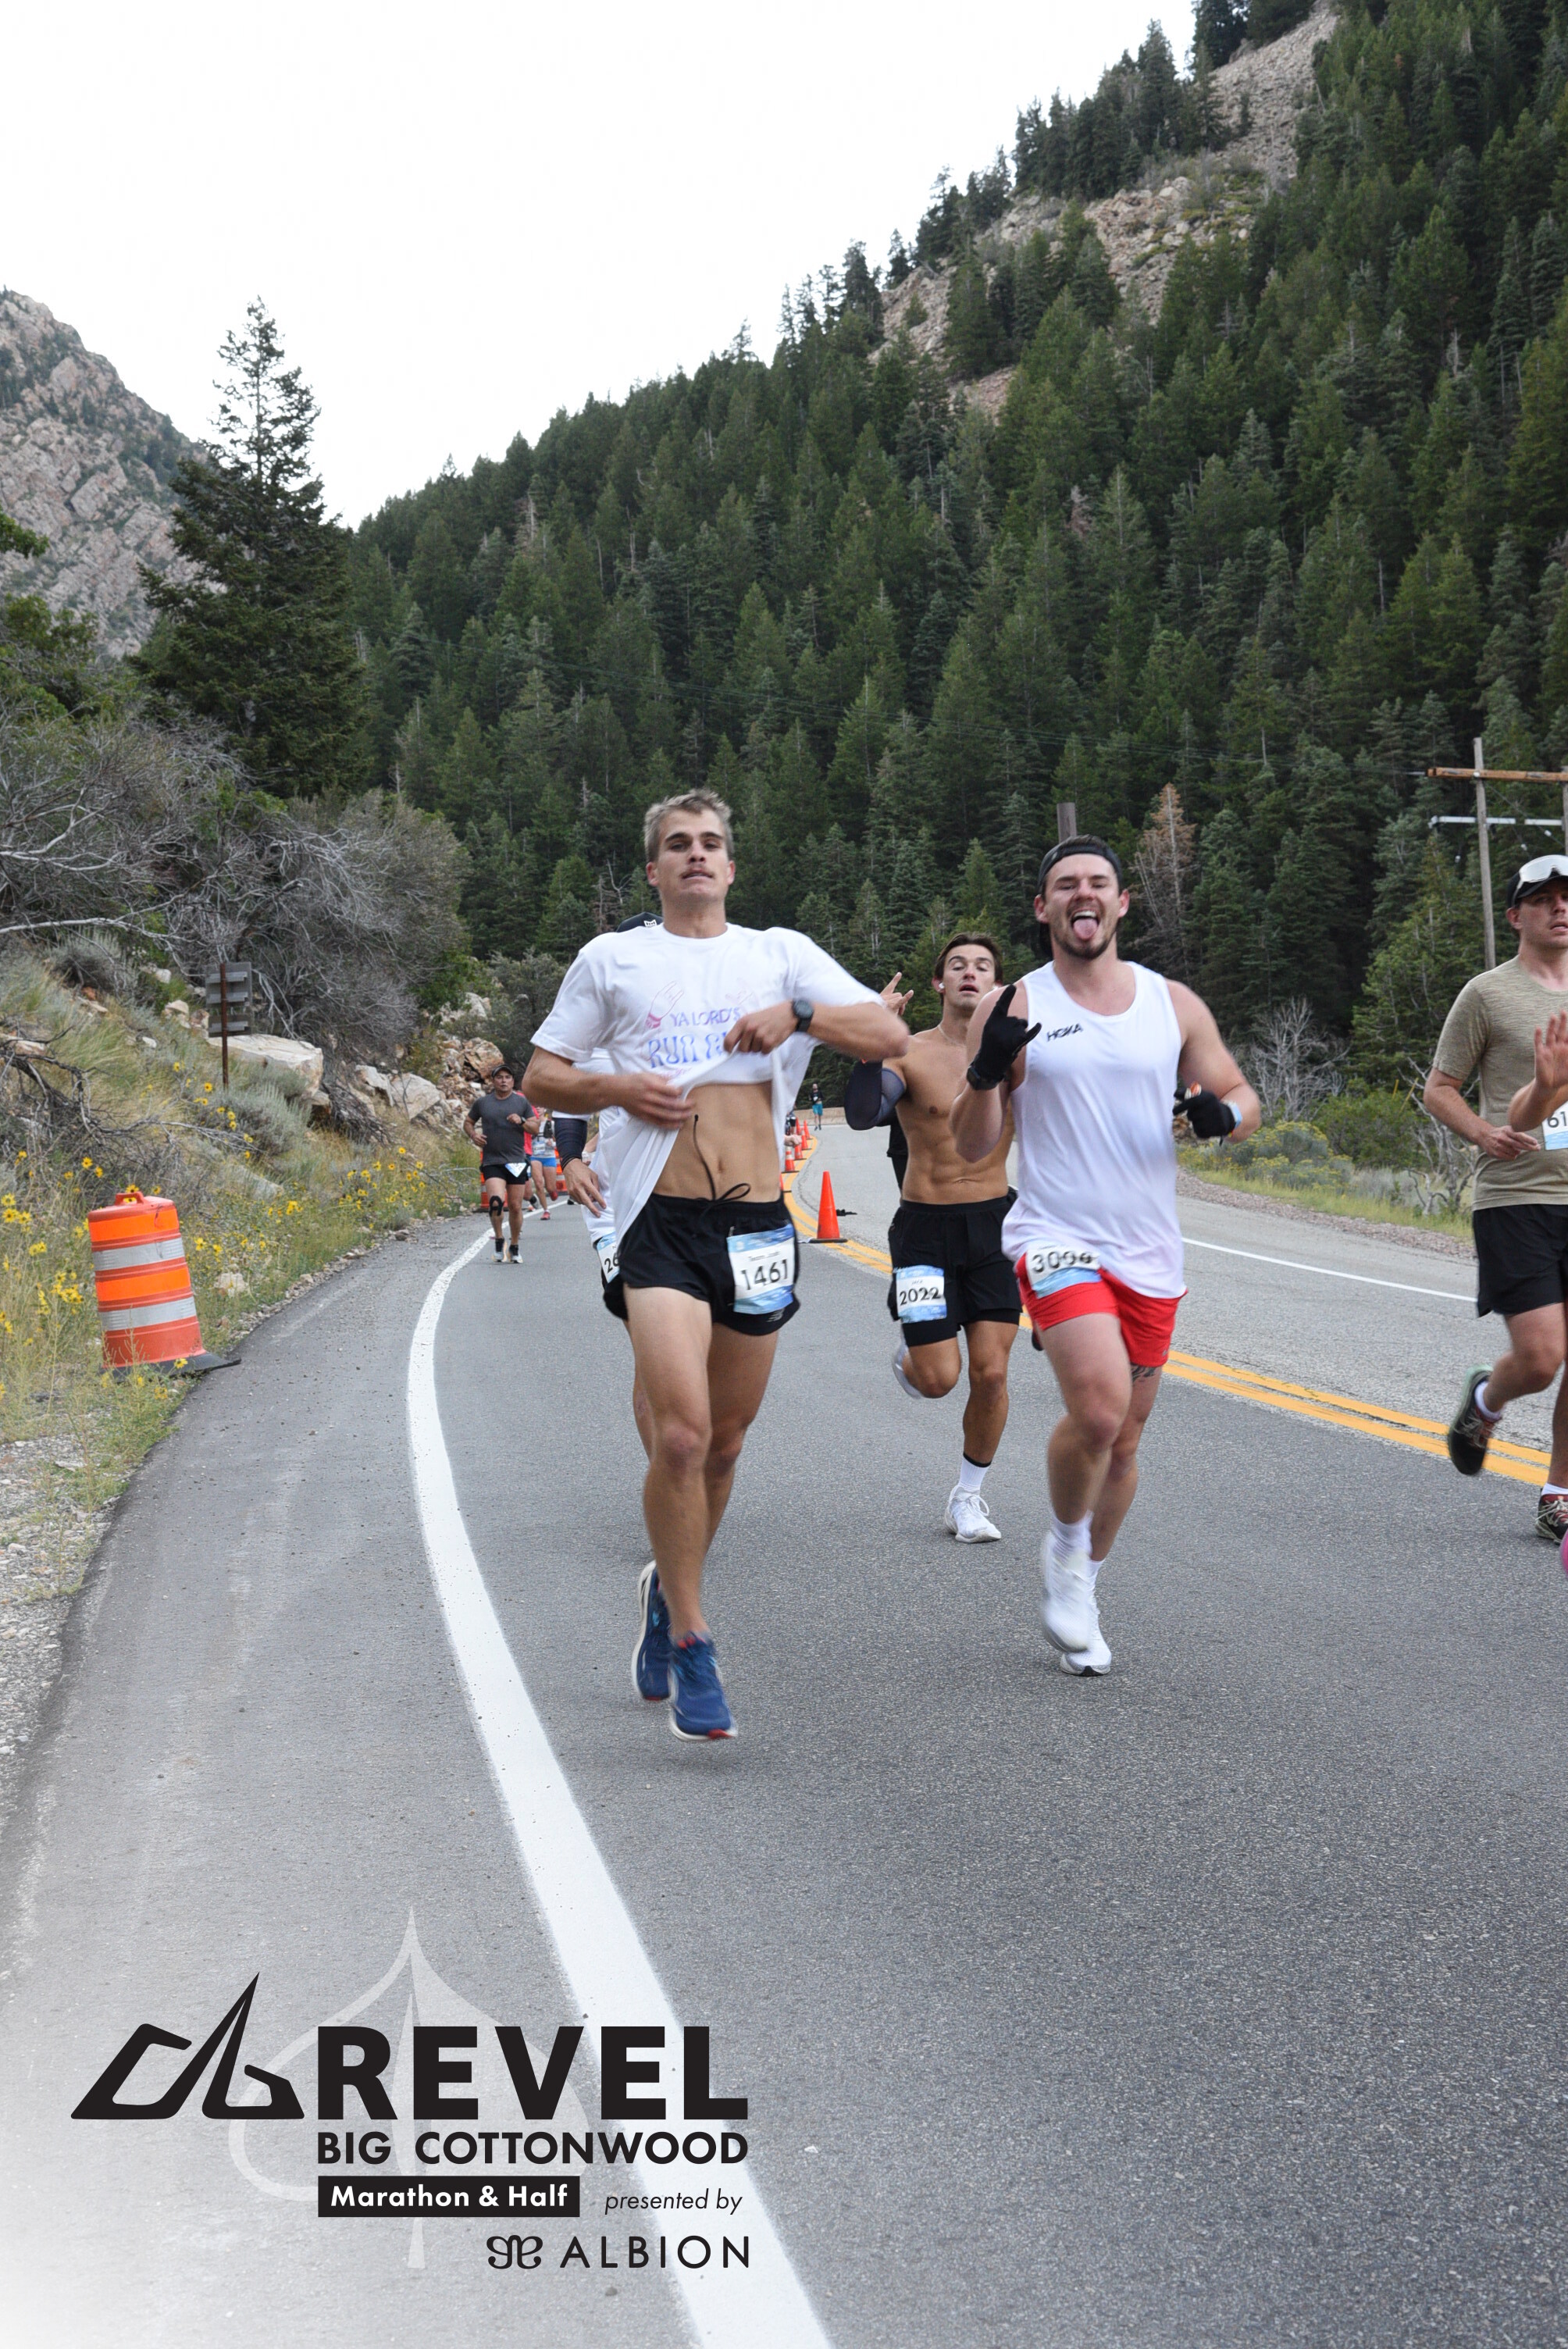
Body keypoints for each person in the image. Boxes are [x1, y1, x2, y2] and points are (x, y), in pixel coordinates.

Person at [526, 788, 907, 1739]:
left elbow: (890, 1037)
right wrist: (618, 1086)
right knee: (683, 1437)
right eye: (677, 844)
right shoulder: (612, 958)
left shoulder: (778, 955)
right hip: (657, 1222)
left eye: (709, 843)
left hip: (756, 1225)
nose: (695, 855)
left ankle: (668, 1592)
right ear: (653, 868)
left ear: (731, 866)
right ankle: (696, 1639)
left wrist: (799, 1015)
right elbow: (542, 1073)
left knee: (727, 1444)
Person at [950, 836, 1259, 1675]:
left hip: (1149, 1249)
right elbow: (972, 1144)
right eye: (1064, 885)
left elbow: (1241, 1094)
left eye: (1097, 884)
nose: (1081, 896)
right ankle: (1061, 1546)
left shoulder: (1171, 1002)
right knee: (1096, 1408)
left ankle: (1084, 1576)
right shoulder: (1013, 1002)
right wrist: (984, 1071)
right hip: (1054, 1235)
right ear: (1043, 906)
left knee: (1122, 1441)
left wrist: (1223, 1117)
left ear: (1121, 903)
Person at [846, 933, 1021, 1543]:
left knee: (991, 1374)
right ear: (940, 983)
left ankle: (967, 1498)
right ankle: (913, 1357)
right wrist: (871, 1045)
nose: (971, 973)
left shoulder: (1017, 1058)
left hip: (995, 1226)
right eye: (958, 965)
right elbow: (863, 1114)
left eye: (983, 966)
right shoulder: (910, 1052)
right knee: (938, 1379)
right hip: (924, 1232)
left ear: (998, 986)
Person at [1426, 854, 1568, 1538]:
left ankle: (1558, 1494)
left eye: (1567, 897)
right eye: (1543, 899)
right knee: (1541, 1360)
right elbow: (1439, 1088)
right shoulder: (1487, 994)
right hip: (1517, 1197)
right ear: (1515, 915)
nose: (1560, 908)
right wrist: (1485, 1133)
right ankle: (1486, 1401)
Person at [463, 1065, 537, 1263]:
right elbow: (468, 1122)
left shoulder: (521, 1102)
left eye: (507, 1077)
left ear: (512, 1081)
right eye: (499, 1077)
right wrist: (473, 1135)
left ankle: (514, 1245)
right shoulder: (483, 1103)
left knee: (515, 1207)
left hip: (516, 1161)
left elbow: (535, 1128)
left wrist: (521, 1120)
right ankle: (499, 1238)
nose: (504, 1081)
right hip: (492, 1161)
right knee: (496, 1202)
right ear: (493, 1081)